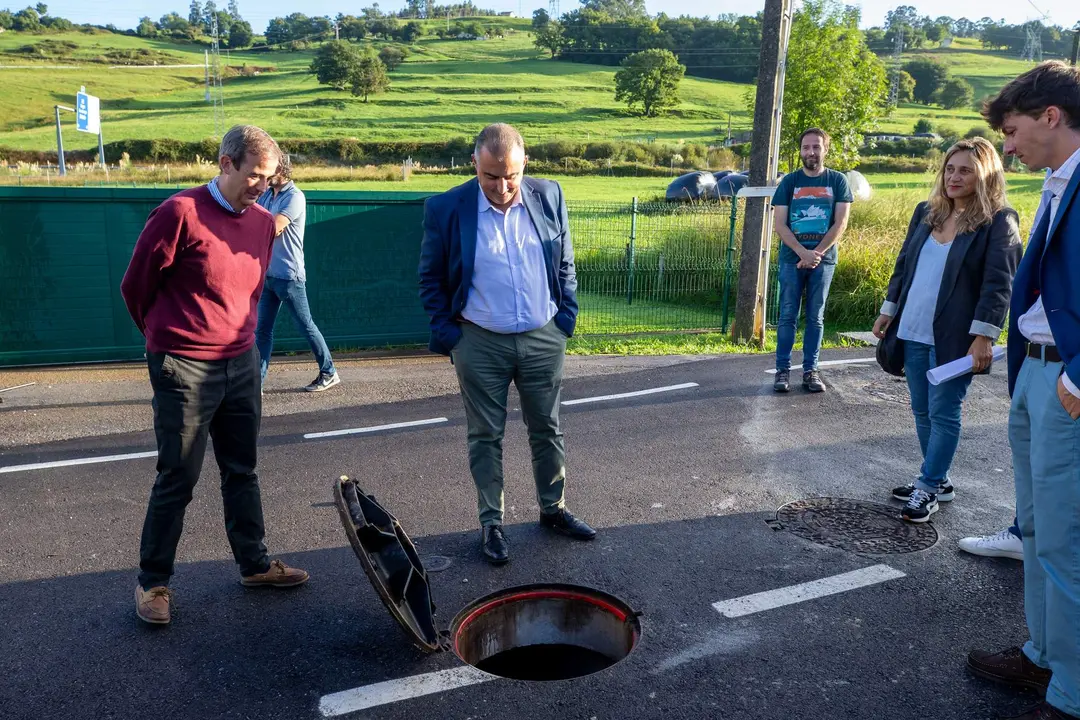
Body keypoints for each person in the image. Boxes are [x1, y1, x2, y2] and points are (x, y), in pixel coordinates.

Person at [120, 125, 309, 626]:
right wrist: (167, 341)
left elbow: (248, 293)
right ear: (225, 163)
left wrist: (237, 343)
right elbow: (136, 286)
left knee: (242, 469)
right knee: (177, 475)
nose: (261, 187)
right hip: (183, 366)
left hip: (241, 362)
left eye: (269, 180)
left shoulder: (264, 223)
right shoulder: (178, 212)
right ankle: (153, 583)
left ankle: (254, 564)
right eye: (253, 176)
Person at [418, 123, 596, 566]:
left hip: (543, 336)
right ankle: (491, 523)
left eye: (510, 175)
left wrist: (564, 321)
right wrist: (452, 337)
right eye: (491, 177)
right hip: (479, 341)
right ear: (474, 164)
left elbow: (565, 260)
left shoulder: (549, 195)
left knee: (547, 428)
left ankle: (553, 509)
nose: (501, 187)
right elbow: (431, 278)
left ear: (525, 163)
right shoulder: (447, 208)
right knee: (485, 434)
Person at [967, 61, 1080, 720]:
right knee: (1036, 531)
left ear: (1050, 117)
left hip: (1065, 381)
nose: (1006, 147)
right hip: (1032, 372)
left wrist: (1076, 376)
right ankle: (1042, 655)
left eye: (1010, 131)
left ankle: (1070, 687)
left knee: (1065, 540)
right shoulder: (1057, 182)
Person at [872, 138, 1022, 523]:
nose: (954, 177)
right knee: (921, 408)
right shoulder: (928, 212)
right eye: (950, 168)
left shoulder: (998, 221)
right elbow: (904, 264)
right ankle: (938, 479)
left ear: (985, 175)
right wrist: (889, 310)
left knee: (944, 411)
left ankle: (928, 486)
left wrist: (984, 336)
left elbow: (998, 285)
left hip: (957, 336)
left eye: (966, 170)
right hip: (913, 327)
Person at [772, 128, 854, 394]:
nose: (811, 152)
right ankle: (782, 370)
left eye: (816, 147)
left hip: (824, 260)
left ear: (825, 149)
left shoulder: (838, 181)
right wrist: (801, 253)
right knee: (787, 316)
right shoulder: (789, 183)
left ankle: (811, 371)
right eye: (806, 147)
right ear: (800, 150)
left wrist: (816, 253)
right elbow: (780, 225)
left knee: (816, 318)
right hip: (790, 259)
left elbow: (840, 223)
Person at [255, 153, 340, 393]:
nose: (265, 176)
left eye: (269, 171)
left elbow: (274, 227)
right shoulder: (266, 195)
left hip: (289, 275)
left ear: (282, 171)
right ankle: (256, 383)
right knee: (262, 330)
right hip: (268, 276)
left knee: (305, 326)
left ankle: (329, 371)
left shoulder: (295, 197)